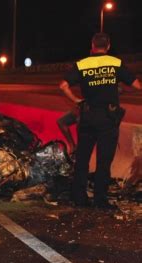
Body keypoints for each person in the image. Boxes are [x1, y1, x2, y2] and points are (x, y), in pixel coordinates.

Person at [60, 33, 141, 210]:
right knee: (104, 161)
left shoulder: (82, 64)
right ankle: (100, 201)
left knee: (82, 158)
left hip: (87, 117)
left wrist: (76, 100)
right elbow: (137, 85)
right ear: (108, 46)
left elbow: (63, 85)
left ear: (93, 45)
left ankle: (79, 198)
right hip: (108, 119)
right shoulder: (115, 63)